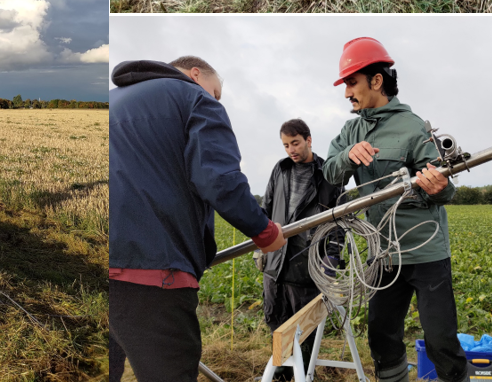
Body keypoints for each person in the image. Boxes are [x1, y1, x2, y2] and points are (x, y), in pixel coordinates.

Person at [109, 56, 287, 382]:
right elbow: (218, 180)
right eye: (216, 92)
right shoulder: (194, 98)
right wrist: (264, 231)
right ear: (195, 74)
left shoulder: (112, 100)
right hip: (154, 274)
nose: (216, 100)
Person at [322, 38, 468, 382]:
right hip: (383, 255)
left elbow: (444, 189)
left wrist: (439, 188)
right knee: (382, 336)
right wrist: (346, 156)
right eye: (345, 84)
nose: (346, 93)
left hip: (425, 253)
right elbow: (329, 171)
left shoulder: (413, 127)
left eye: (351, 83)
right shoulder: (350, 129)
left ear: (376, 81)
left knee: (441, 340)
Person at [260, 118, 344, 381]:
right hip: (276, 261)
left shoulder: (328, 173)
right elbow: (266, 207)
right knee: (275, 317)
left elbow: (339, 219)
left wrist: (333, 254)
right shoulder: (281, 169)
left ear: (308, 140)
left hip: (307, 262)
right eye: (285, 145)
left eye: (295, 143)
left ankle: (303, 374)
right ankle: (282, 373)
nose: (291, 150)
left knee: (303, 325)